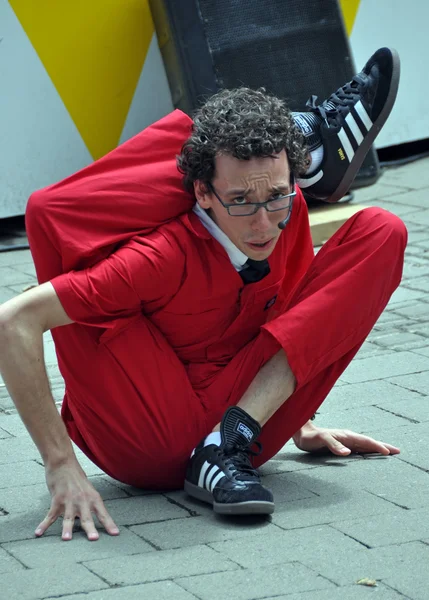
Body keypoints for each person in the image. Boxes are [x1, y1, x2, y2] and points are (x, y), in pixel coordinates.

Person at [0, 48, 406, 540]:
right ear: (202, 195)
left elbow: (293, 314)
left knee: (383, 230)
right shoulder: (160, 255)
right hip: (150, 442)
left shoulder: (286, 213)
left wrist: (298, 418)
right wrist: (60, 464)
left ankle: (227, 442)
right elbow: (12, 321)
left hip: (242, 432)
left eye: (277, 193)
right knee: (52, 219)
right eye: (239, 201)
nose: (262, 223)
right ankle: (305, 137)